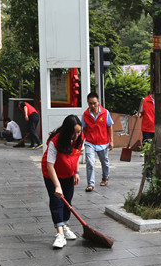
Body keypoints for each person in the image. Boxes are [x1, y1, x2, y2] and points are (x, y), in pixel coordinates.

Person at [42, 115, 84, 248]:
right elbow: (50, 165)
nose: (77, 135)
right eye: (74, 132)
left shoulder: (80, 138)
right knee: (56, 202)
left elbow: (76, 156)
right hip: (52, 174)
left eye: (79, 131)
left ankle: (65, 226)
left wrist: (76, 172)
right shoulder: (56, 141)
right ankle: (60, 234)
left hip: (68, 173)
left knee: (68, 201)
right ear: (67, 131)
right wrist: (57, 186)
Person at [82, 92, 114, 192]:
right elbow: (84, 128)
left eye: (94, 103)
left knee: (104, 162)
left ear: (98, 102)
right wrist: (81, 141)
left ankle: (105, 177)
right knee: (90, 162)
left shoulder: (105, 112)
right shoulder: (85, 114)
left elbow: (110, 126)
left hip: (103, 142)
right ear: (87, 103)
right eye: (90, 103)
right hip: (90, 142)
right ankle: (90, 184)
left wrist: (111, 141)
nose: (93, 105)